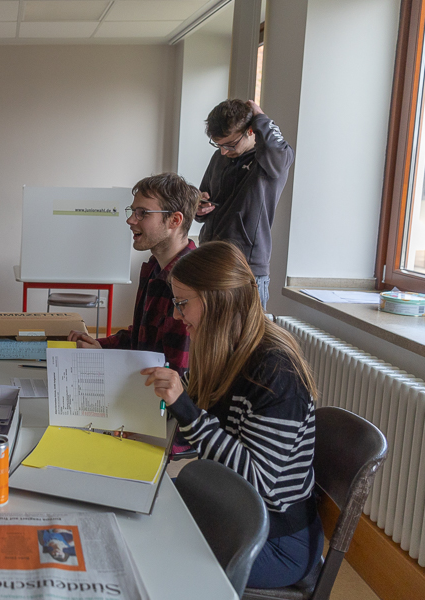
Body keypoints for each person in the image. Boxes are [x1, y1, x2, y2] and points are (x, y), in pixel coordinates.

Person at [142, 241, 323, 589]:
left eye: (182, 304)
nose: (177, 316)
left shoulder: (275, 371)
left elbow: (259, 485)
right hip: (226, 504)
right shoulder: (222, 347)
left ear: (218, 302)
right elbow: (192, 420)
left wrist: (186, 411)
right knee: (139, 511)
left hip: (273, 538)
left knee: (153, 552)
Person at [68, 173, 199, 375]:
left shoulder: (191, 282)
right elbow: (141, 339)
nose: (130, 220)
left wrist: (105, 358)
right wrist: (99, 346)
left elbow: (175, 374)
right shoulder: (154, 268)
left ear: (174, 220)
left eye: (142, 213)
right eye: (132, 211)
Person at [196, 99, 294, 310]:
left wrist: (261, 118)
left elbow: (279, 152)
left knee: (243, 341)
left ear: (251, 131)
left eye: (230, 144)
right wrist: (198, 206)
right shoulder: (219, 158)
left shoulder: (269, 162)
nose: (223, 151)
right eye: (218, 144)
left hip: (246, 268)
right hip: (211, 259)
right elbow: (203, 200)